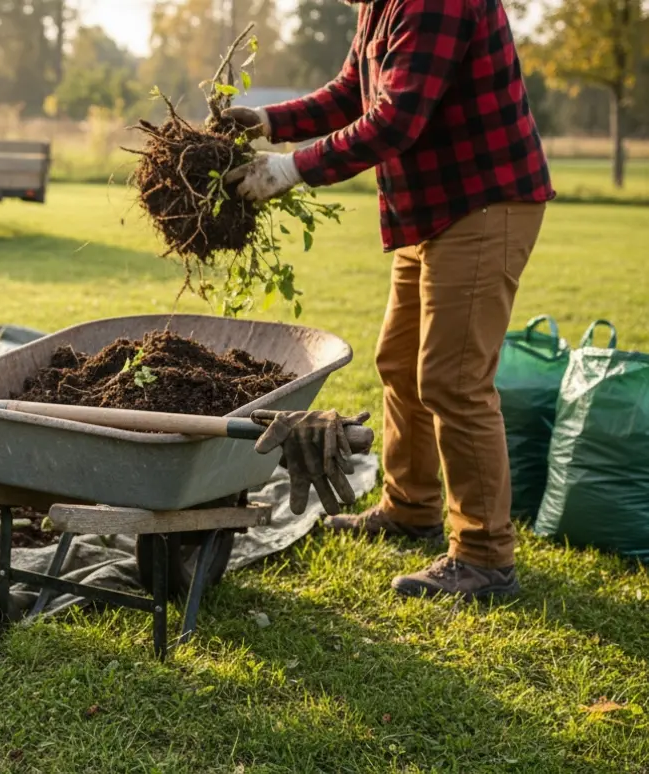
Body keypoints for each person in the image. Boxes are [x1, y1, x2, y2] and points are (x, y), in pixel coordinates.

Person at [222, 0, 555, 600]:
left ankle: (484, 556)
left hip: (483, 201)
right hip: (432, 209)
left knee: (453, 379)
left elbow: (394, 120)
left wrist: (289, 170)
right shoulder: (383, 5)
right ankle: (412, 508)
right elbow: (354, 92)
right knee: (398, 363)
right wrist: (269, 122)